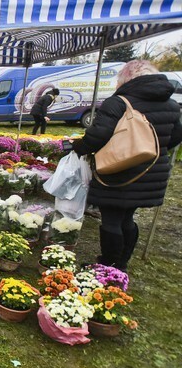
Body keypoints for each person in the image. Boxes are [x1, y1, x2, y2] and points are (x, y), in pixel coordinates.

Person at [71, 60, 182, 271]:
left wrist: (78, 147)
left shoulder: (120, 102)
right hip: (150, 172)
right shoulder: (171, 104)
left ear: (126, 77)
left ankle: (108, 266)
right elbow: (175, 136)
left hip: (119, 170)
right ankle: (121, 263)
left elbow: (98, 136)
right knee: (127, 217)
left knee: (111, 219)